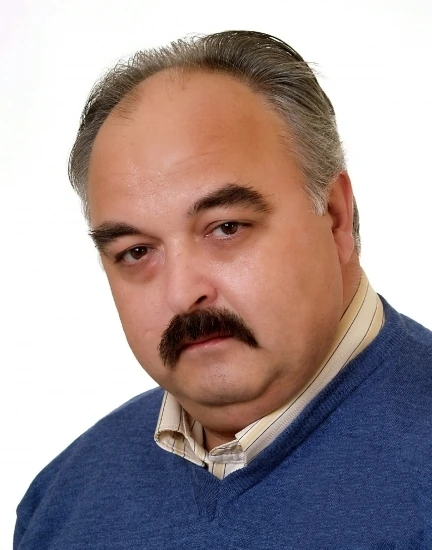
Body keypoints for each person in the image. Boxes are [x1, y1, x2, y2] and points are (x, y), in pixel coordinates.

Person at [14, 30, 432, 549]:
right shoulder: (61, 502)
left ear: (335, 218)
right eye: (137, 252)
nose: (182, 293)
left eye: (226, 228)